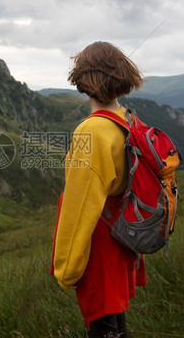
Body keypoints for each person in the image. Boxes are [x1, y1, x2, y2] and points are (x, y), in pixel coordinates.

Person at [50, 41, 147, 337]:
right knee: (115, 325)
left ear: (82, 81)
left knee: (104, 327)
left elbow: (81, 206)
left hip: (100, 248)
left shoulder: (89, 132)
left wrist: (67, 269)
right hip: (125, 240)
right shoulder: (129, 120)